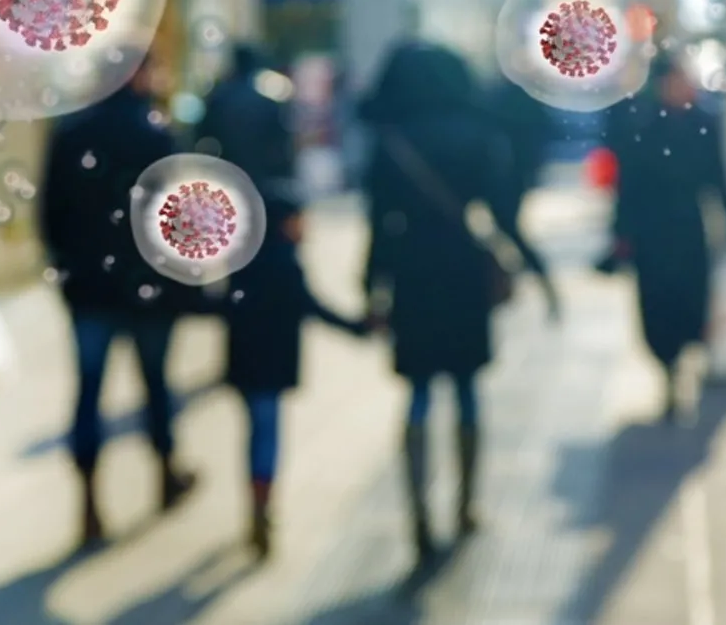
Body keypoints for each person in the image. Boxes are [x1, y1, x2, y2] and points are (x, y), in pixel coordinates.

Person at [197, 45, 368, 558]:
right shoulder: (273, 99)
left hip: (239, 230)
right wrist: (360, 327)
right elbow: (310, 303)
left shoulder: (220, 99)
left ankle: (255, 502)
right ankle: (264, 503)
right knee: (268, 423)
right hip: (273, 340)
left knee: (256, 421)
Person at [359, 43, 520, 566]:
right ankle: (467, 505)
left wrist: (372, 290)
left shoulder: (390, 142)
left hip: (412, 280)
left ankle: (419, 514)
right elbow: (503, 212)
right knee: (469, 390)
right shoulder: (479, 135)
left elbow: (377, 227)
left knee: (420, 394)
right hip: (464, 279)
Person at [40, 49, 196, 545]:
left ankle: (88, 504)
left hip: (89, 289)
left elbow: (49, 216)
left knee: (88, 391)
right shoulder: (157, 135)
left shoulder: (70, 134)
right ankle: (166, 473)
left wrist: (69, 271)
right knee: (155, 382)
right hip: (147, 288)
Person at [600, 51, 726, 419]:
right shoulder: (640, 124)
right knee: (656, 307)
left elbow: (719, 179)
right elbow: (627, 187)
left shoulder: (703, 122)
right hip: (651, 232)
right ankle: (668, 372)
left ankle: (684, 364)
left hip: (689, 229)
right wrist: (619, 235)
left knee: (691, 301)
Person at [485, 76, 561, 321]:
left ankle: (531, 282)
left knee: (509, 231)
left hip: (508, 178)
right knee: (509, 231)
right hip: (517, 178)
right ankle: (540, 284)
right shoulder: (526, 102)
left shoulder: (498, 105)